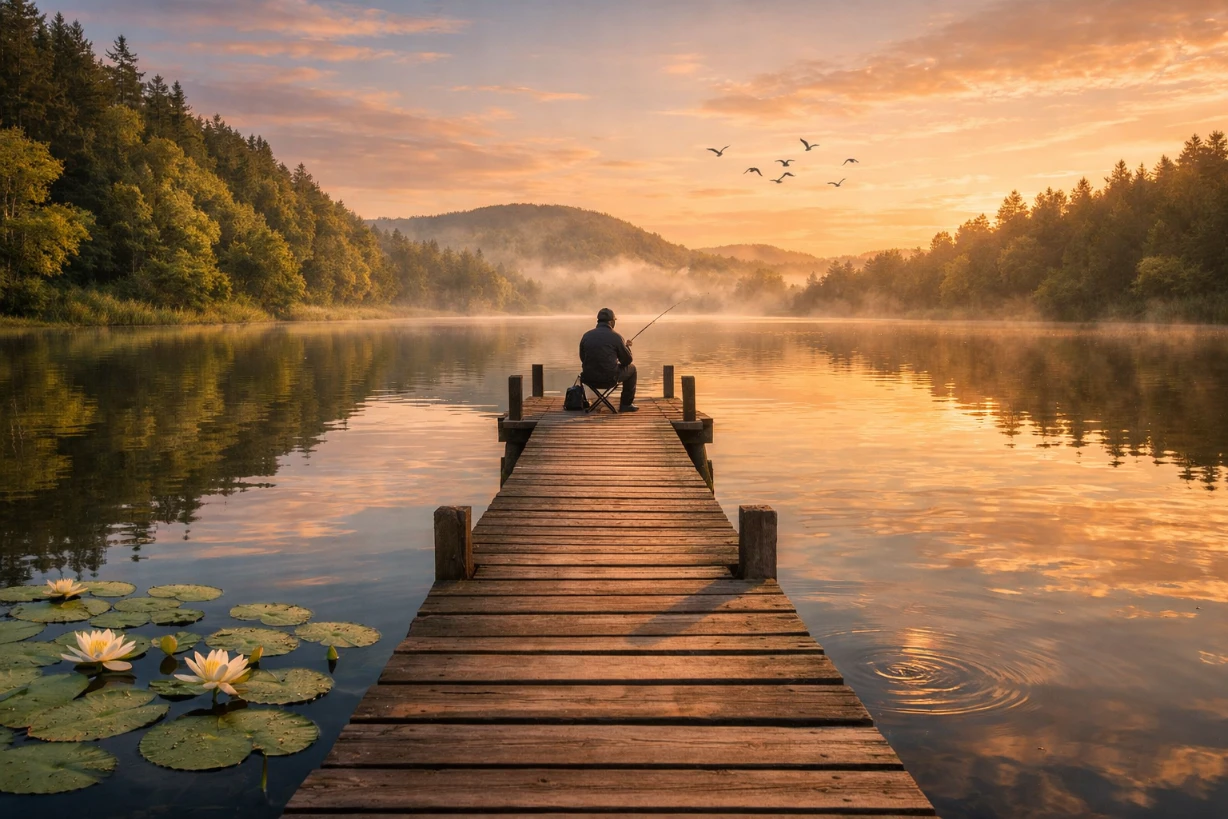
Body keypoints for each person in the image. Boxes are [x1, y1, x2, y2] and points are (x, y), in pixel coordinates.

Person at [579, 307, 637, 412]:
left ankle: (584, 401)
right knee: (632, 369)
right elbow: (627, 361)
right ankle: (626, 404)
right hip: (610, 379)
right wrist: (627, 348)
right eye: (614, 321)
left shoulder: (586, 336)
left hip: (588, 378)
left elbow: (583, 358)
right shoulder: (616, 337)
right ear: (611, 322)